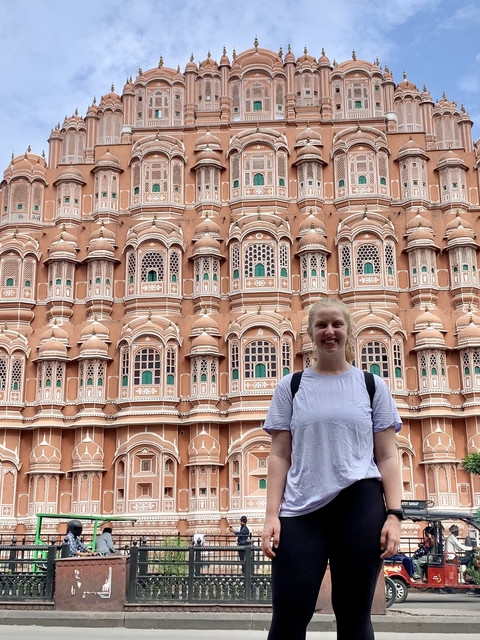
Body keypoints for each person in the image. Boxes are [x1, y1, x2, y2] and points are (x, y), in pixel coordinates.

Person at [261, 297, 403, 640]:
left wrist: (395, 515)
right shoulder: (292, 386)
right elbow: (279, 454)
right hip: (301, 509)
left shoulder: (371, 385)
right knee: (289, 614)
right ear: (310, 333)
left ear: (348, 332)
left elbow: (387, 454)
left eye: (337, 324)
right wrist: (270, 516)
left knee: (354, 615)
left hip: (360, 504)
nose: (329, 331)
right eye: (321, 325)